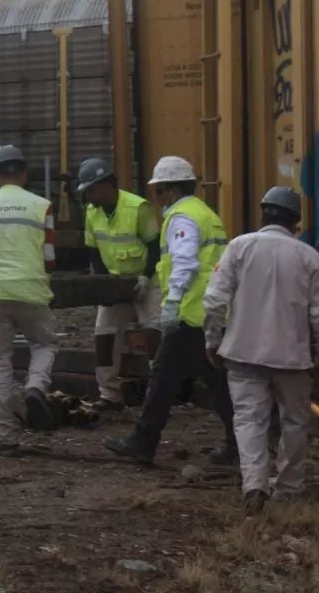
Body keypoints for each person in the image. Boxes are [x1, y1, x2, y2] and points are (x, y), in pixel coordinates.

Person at [203, 185, 319, 515]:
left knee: (248, 420)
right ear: (296, 223)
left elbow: (215, 300)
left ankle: (254, 484)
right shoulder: (309, 258)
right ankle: (288, 486)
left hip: (243, 353)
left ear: (263, 214)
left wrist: (213, 340)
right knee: (294, 421)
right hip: (293, 358)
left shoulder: (239, 247)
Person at [104, 156, 235, 465]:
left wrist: (173, 302)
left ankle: (143, 441)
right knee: (220, 383)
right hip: (212, 312)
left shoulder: (182, 217)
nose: (157, 199)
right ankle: (240, 444)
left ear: (173, 191)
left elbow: (186, 262)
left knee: (163, 378)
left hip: (190, 315)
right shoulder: (206, 214)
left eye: (159, 192)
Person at [0, 145, 59, 456]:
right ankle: (35, 387)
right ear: (22, 173)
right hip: (32, 291)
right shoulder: (42, 206)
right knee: (45, 343)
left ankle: (6, 438)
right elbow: (49, 259)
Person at [78, 158, 162, 411]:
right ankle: (109, 394)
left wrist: (146, 276)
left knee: (154, 334)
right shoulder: (92, 212)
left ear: (106, 186)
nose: (88, 195)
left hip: (145, 282)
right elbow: (93, 249)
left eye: (91, 189)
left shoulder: (137, 208)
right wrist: (105, 283)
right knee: (104, 336)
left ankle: (159, 395)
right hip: (116, 282)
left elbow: (154, 246)